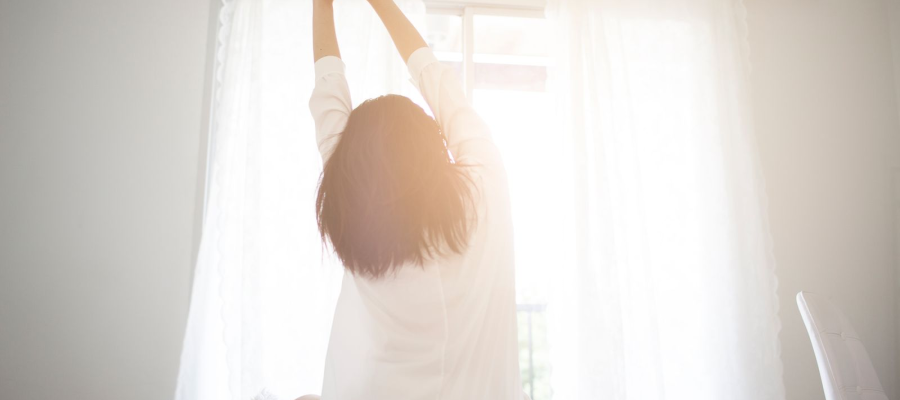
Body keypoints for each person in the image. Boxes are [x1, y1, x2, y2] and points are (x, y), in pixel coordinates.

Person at [303, 0, 524, 398]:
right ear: (434, 148)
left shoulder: (354, 217)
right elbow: (440, 84)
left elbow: (328, 92)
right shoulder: (485, 193)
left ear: (353, 169)